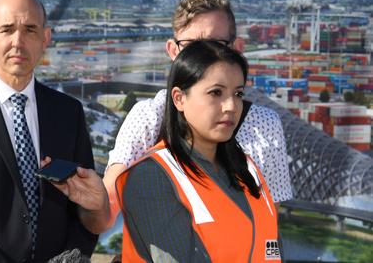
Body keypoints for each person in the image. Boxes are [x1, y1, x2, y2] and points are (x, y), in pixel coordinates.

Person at [101, 0, 292, 230]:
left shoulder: (264, 124)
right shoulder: (149, 117)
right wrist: (90, 200)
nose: (205, 59)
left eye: (216, 45)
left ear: (238, 49)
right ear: (172, 51)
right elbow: (107, 207)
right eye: (192, 47)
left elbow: (270, 223)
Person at [0, 0, 109, 262]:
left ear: (45, 38)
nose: (18, 41)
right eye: (7, 29)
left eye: (30, 29)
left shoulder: (68, 113)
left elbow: (83, 207)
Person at [117, 40, 281, 262]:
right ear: (179, 98)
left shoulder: (248, 169)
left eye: (238, 94)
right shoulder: (153, 176)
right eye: (216, 93)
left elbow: (270, 247)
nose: (231, 106)